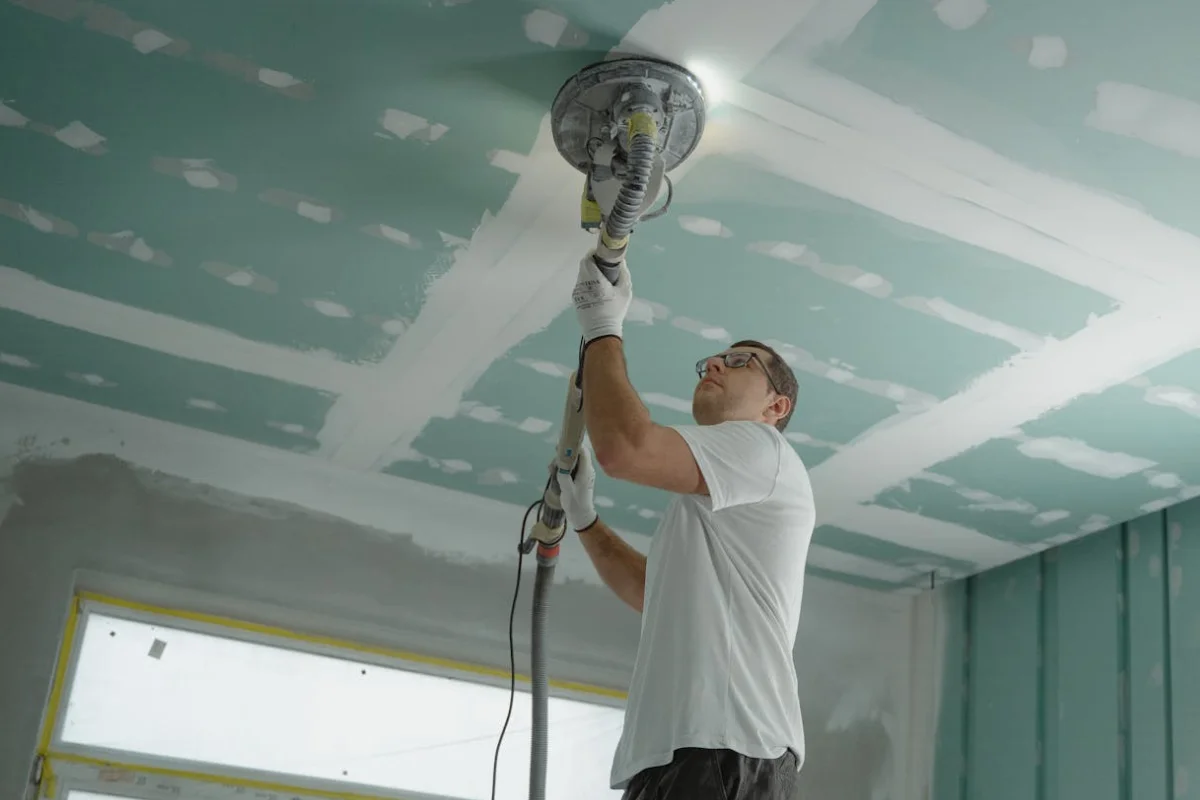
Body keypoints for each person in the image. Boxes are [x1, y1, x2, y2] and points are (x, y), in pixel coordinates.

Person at [556, 252, 817, 800]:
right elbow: (655, 592)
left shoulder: (763, 449)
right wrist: (585, 521)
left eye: (741, 361)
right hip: (687, 751)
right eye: (713, 361)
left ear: (776, 406)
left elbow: (626, 449)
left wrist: (603, 326)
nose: (715, 365)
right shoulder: (707, 507)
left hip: (725, 745)